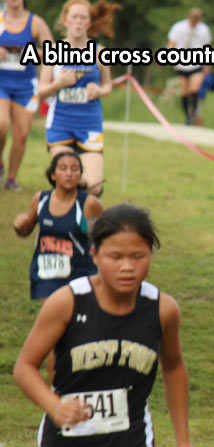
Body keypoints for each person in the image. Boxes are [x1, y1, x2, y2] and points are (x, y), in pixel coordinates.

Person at [13, 203, 206, 447]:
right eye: (115, 256)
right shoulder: (67, 302)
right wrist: (54, 406)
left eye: (138, 256)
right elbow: (24, 367)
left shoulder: (163, 309)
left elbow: (174, 368)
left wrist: (184, 443)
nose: (127, 267)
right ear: (94, 254)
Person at [14, 150, 103, 381]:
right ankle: (57, 388)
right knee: (55, 333)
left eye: (75, 169)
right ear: (53, 174)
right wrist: (20, 225)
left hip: (80, 274)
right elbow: (26, 229)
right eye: (63, 168)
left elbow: (102, 240)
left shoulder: (89, 204)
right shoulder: (41, 200)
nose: (69, 173)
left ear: (80, 175)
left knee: (79, 332)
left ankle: (83, 381)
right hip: (47, 275)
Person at [38, 0, 120, 197]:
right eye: (74, 17)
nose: (78, 22)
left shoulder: (100, 52)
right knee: (67, 182)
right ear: (65, 21)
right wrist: (59, 84)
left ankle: (86, 219)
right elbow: (41, 91)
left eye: (83, 17)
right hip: (60, 125)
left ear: (89, 23)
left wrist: (98, 91)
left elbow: (108, 85)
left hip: (89, 125)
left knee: (93, 187)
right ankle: (65, 223)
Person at [0, 0, 53, 191]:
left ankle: (11, 179)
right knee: (1, 124)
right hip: (1, 83)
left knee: (21, 135)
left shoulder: (35, 23)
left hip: (26, 86)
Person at [167, 7, 212, 125]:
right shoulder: (178, 27)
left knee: (194, 89)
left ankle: (194, 113)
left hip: (196, 62)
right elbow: (172, 43)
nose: (194, 23)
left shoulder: (204, 29)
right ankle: (187, 116)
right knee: (184, 92)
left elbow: (207, 47)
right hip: (181, 63)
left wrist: (207, 64)